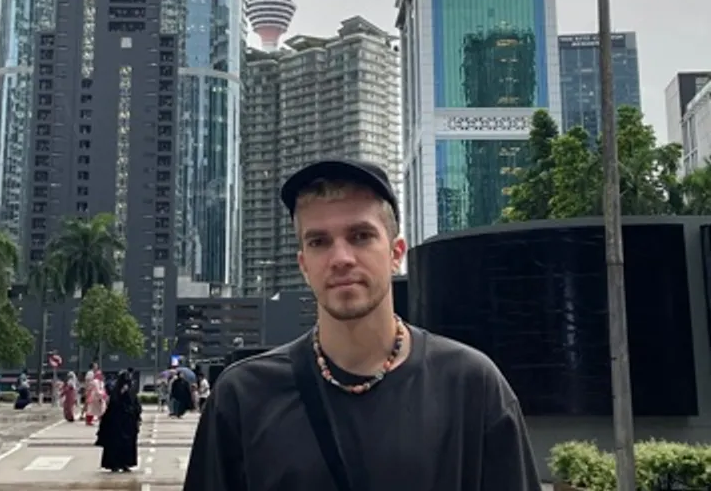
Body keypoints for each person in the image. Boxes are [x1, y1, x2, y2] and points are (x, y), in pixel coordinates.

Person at [183, 159, 542, 491]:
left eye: (360, 236)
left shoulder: (471, 386)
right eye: (319, 242)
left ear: (396, 253)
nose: (341, 258)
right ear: (304, 265)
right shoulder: (243, 397)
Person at [96, 371, 142, 473]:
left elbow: (136, 406)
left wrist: (136, 416)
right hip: (116, 423)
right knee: (115, 444)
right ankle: (114, 464)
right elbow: (113, 405)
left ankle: (125, 463)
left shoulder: (131, 392)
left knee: (127, 444)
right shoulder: (116, 392)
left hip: (128, 423)